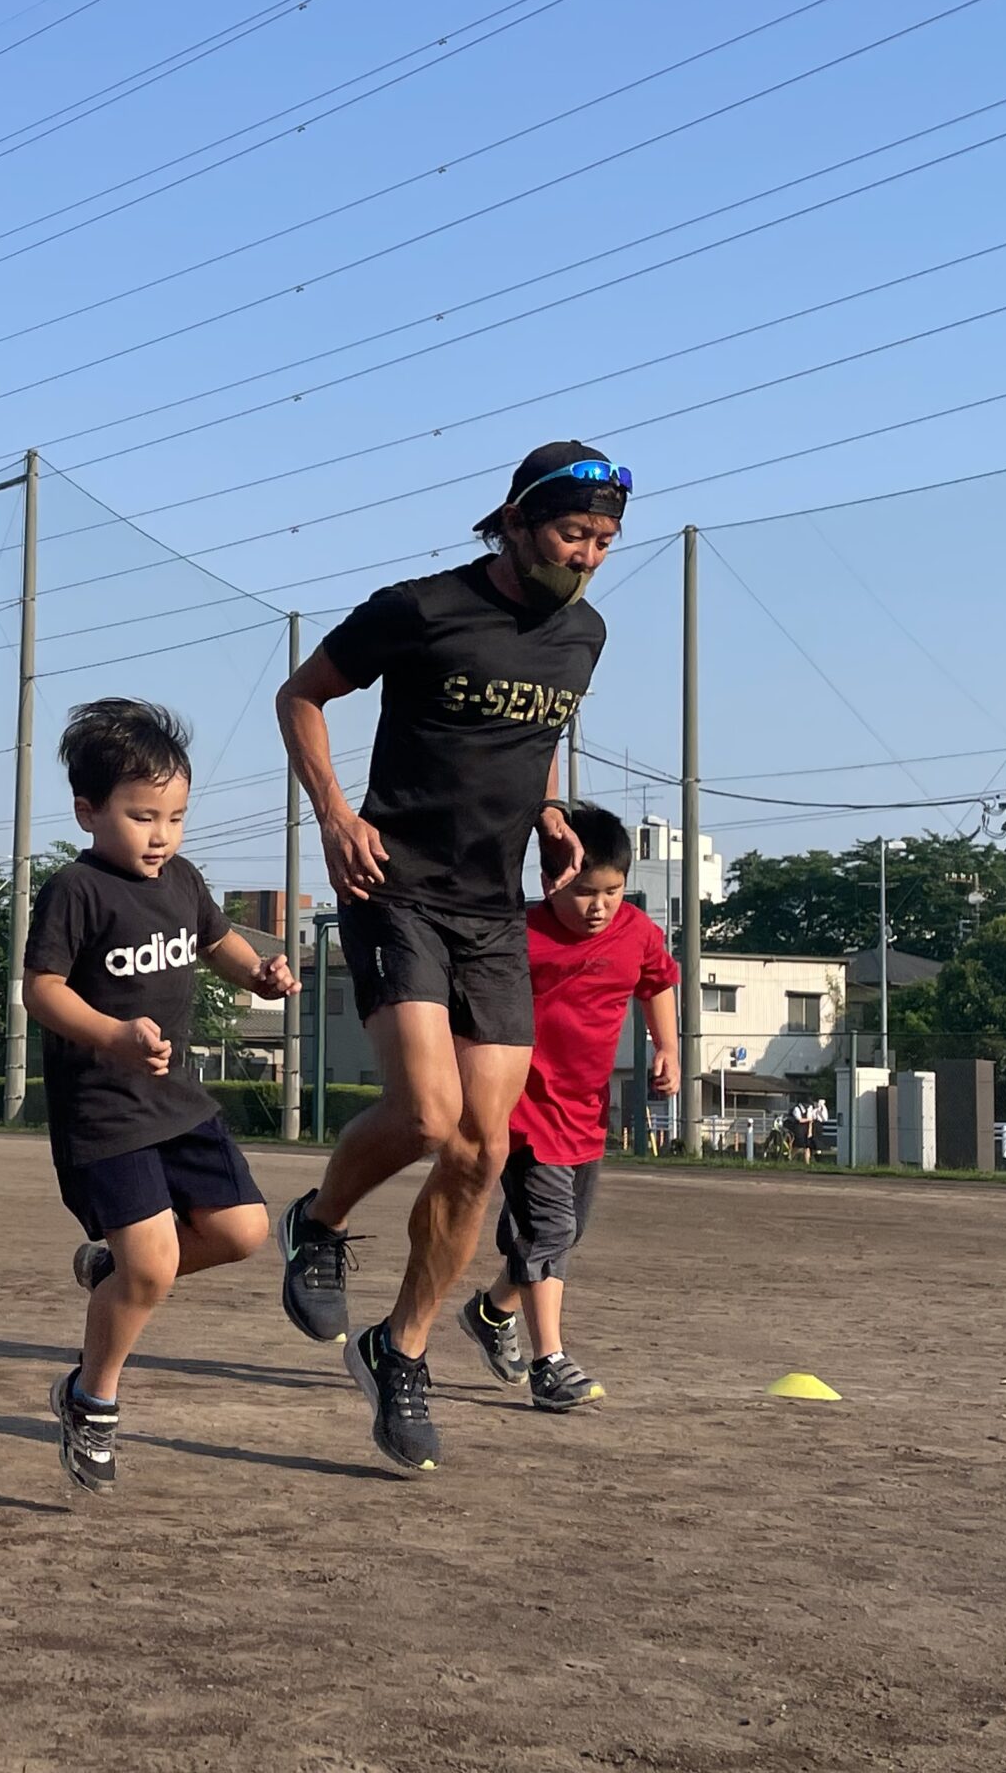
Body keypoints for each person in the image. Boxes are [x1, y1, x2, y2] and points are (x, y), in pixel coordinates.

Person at [272, 439, 627, 1471]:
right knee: (427, 1116)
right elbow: (302, 695)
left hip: (492, 910)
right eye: (572, 533)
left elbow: (537, 727)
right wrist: (334, 815)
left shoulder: (583, 635)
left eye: (604, 540)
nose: (588, 556)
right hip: (394, 886)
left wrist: (551, 807)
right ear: (514, 522)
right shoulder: (418, 609)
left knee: (483, 1148)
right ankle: (320, 1220)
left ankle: (402, 1349)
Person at [24, 700, 299, 1494]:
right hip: (106, 1116)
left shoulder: (182, 880)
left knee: (245, 1231)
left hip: (180, 1106)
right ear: (88, 810)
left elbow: (216, 942)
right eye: (142, 816)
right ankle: (90, 1398)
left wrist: (259, 973)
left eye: (175, 817)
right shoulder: (76, 889)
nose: (161, 835)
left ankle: (115, 1268)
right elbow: (41, 990)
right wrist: (108, 1035)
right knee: (151, 1270)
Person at [452, 803, 676, 1412]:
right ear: (553, 878)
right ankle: (550, 1363)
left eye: (612, 890)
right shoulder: (518, 935)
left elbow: (657, 982)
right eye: (583, 891)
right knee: (549, 1230)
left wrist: (668, 1049)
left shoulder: (637, 932)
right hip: (525, 1111)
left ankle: (491, 1312)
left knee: (561, 1233)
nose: (599, 905)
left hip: (586, 1113)